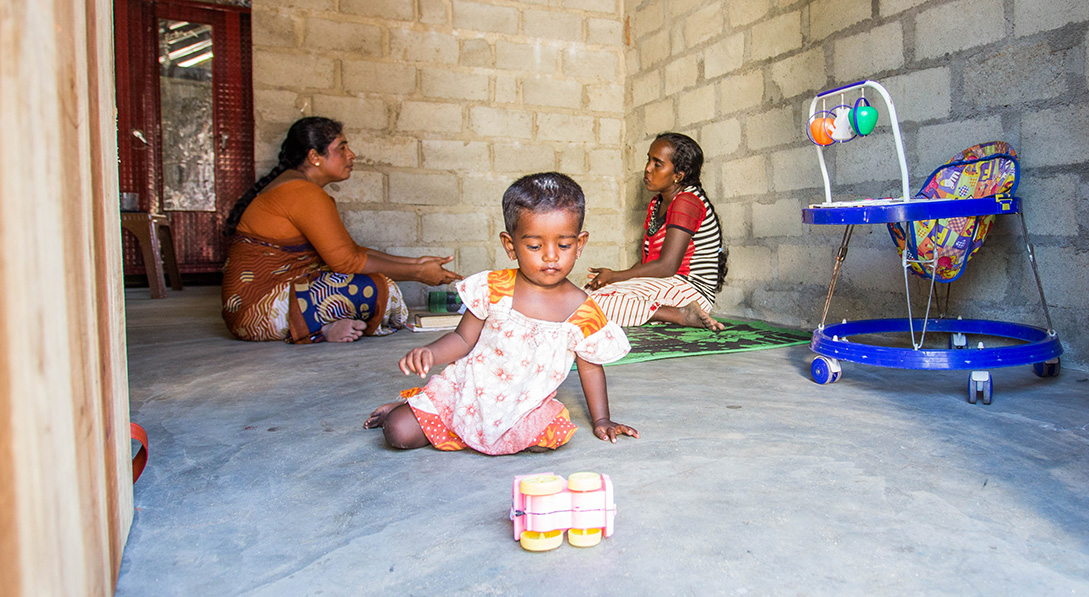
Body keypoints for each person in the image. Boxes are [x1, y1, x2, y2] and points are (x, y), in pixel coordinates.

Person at [364, 172, 639, 455]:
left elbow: (590, 366)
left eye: (564, 245)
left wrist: (601, 419)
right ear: (511, 245)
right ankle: (414, 406)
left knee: (547, 439)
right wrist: (430, 353)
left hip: (522, 402)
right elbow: (462, 339)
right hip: (469, 390)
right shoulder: (493, 288)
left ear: (579, 244)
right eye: (534, 245)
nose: (551, 256)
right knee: (398, 432)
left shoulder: (583, 310)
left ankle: (456, 422)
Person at [221, 117, 461, 343]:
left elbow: (352, 251)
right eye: (342, 148)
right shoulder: (302, 192)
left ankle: (326, 324)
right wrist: (419, 274)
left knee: (377, 286)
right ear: (315, 156)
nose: (351, 155)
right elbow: (347, 262)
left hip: (257, 305)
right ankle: (321, 329)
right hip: (256, 310)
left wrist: (417, 263)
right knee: (383, 292)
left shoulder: (299, 187)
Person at [585, 132, 727, 330]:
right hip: (666, 284)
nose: (647, 169)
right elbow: (649, 261)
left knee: (591, 304)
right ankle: (664, 313)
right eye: (648, 160)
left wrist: (616, 275)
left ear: (679, 175)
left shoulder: (686, 202)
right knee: (586, 296)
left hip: (689, 291)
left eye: (657, 163)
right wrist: (612, 280)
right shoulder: (657, 203)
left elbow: (667, 266)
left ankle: (681, 314)